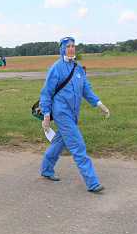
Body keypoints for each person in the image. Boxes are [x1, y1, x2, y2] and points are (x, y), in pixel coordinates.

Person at [39, 37, 110, 193]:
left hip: (73, 113)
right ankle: (92, 183)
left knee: (59, 142)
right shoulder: (55, 68)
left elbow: (86, 89)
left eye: (73, 46)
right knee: (78, 145)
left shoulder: (77, 68)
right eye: (68, 46)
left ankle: (46, 169)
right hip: (61, 112)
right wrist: (46, 115)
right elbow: (46, 93)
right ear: (62, 48)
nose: (71, 49)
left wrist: (99, 103)